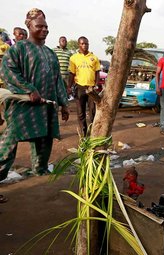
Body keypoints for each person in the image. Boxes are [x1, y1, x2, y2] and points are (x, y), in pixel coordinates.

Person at [0, 8, 69, 182]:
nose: (44, 30)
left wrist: (64, 104)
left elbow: (57, 80)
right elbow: (7, 70)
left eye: (46, 27)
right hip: (23, 106)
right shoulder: (19, 49)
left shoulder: (50, 53)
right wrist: (29, 89)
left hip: (46, 105)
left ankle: (40, 171)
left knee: (44, 138)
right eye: (40, 26)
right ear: (29, 26)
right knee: (10, 139)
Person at [68, 36, 100, 136]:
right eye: (82, 43)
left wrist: (95, 85)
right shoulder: (74, 58)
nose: (85, 45)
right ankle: (84, 133)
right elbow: (72, 74)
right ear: (79, 45)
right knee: (81, 113)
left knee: (93, 112)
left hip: (91, 89)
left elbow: (97, 73)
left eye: (86, 43)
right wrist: (69, 87)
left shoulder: (94, 57)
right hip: (79, 88)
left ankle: (92, 133)